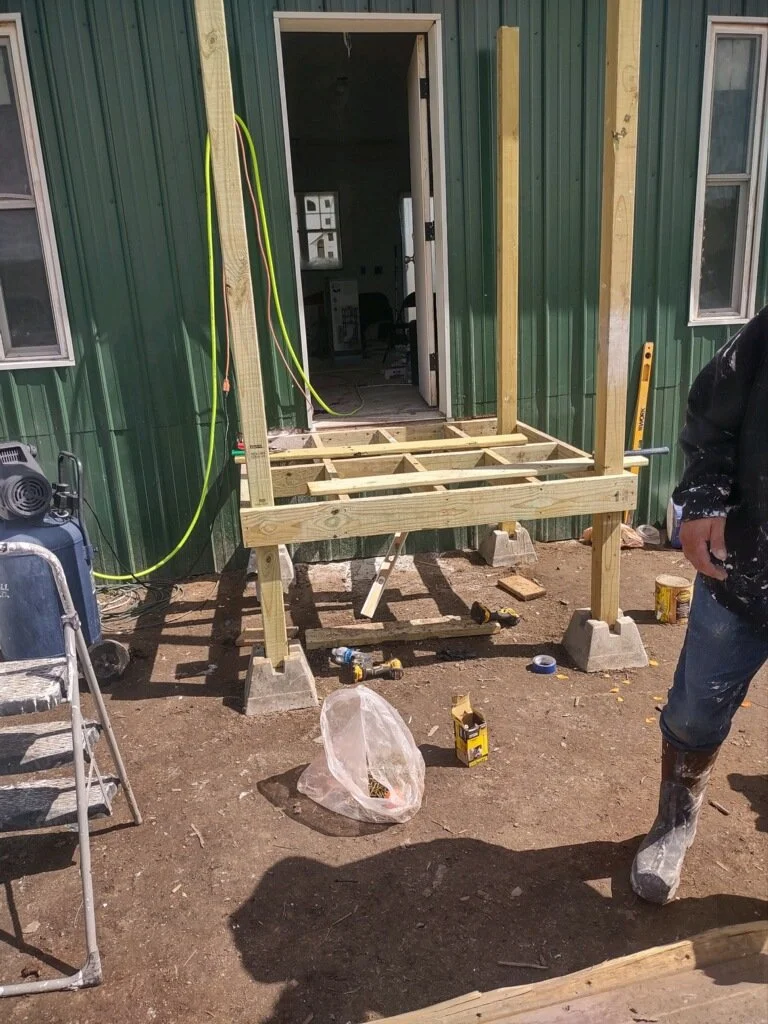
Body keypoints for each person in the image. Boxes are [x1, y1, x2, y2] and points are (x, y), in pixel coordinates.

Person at [631, 305, 768, 904]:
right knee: (692, 713)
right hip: (746, 566)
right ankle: (674, 822)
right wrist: (706, 495)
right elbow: (715, 411)